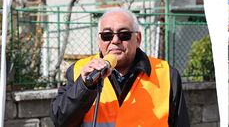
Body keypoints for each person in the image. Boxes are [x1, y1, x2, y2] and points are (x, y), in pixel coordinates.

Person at [50, 9, 189, 127]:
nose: (115, 41)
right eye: (107, 35)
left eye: (124, 34)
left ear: (138, 39)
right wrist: (84, 86)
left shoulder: (166, 74)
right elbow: (60, 120)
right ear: (99, 41)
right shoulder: (80, 70)